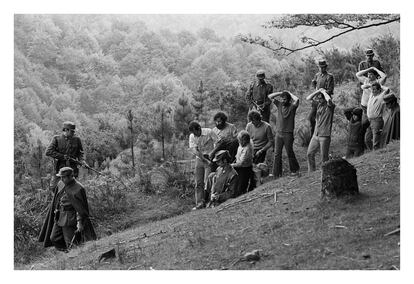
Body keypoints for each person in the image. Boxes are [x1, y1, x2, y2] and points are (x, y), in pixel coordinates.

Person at [38, 167, 96, 252]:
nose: (61, 179)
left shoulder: (78, 188)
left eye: (63, 177)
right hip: (59, 216)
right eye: (61, 177)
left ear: (71, 176)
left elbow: (80, 209)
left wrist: (79, 223)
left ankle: (74, 256)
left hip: (70, 219)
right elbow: (57, 198)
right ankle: (67, 252)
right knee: (53, 238)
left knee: (71, 243)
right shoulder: (61, 183)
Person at [268, 90, 300, 178]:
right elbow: (270, 96)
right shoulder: (279, 105)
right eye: (282, 99)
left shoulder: (292, 107)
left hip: (288, 134)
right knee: (277, 153)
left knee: (289, 152)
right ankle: (276, 173)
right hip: (279, 133)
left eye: (285, 99)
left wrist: (290, 93)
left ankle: (294, 170)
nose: (283, 101)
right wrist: (280, 92)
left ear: (289, 100)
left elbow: (297, 99)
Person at [46, 121, 86, 191]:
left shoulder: (77, 140)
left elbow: (80, 153)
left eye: (74, 131)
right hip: (59, 169)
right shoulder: (56, 139)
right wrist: (62, 156)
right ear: (66, 130)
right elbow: (48, 152)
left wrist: (82, 161)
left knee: (71, 189)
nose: (74, 133)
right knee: (54, 188)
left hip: (72, 170)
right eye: (72, 131)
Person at [188, 121, 219, 210]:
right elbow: (194, 150)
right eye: (193, 133)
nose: (194, 135)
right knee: (198, 183)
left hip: (210, 157)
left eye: (195, 132)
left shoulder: (209, 132)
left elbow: (219, 142)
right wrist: (204, 160)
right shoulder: (192, 136)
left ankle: (209, 202)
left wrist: (213, 152)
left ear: (199, 129)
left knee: (208, 181)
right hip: (200, 159)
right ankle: (199, 203)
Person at [356, 67, 387, 150]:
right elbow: (357, 74)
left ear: (375, 76)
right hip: (366, 109)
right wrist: (369, 69)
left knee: (375, 132)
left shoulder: (378, 82)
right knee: (365, 130)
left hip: (375, 109)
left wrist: (375, 69)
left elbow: (384, 76)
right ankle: (366, 148)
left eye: (371, 74)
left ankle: (377, 149)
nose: (369, 76)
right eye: (368, 74)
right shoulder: (366, 80)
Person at [306, 88, 336, 172]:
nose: (319, 100)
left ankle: (325, 173)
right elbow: (308, 98)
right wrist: (318, 91)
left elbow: (329, 100)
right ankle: (311, 172)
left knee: (324, 158)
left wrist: (324, 92)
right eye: (318, 98)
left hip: (325, 135)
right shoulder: (319, 104)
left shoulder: (330, 106)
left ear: (324, 98)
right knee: (309, 153)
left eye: (320, 98)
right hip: (316, 134)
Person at [245, 110, 274, 188]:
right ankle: (249, 184)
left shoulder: (267, 126)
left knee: (256, 167)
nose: (253, 123)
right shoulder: (249, 125)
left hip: (261, 149)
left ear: (259, 119)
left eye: (254, 121)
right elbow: (246, 138)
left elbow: (271, 141)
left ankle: (257, 184)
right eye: (252, 121)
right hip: (251, 148)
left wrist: (262, 150)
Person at [308, 60, 335, 136]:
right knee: (311, 118)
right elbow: (315, 85)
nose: (322, 69)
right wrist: (314, 85)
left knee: (324, 119)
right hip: (316, 100)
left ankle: (323, 136)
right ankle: (313, 137)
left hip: (325, 101)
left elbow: (330, 90)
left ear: (326, 67)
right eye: (320, 67)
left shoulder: (329, 76)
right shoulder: (317, 75)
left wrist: (323, 92)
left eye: (323, 67)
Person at [367, 82, 389, 150]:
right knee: (367, 139)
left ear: (379, 90)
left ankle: (376, 153)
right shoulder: (371, 95)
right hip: (370, 120)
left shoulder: (381, 96)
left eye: (374, 89)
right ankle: (374, 152)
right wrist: (371, 85)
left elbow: (387, 89)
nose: (372, 91)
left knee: (375, 141)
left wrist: (380, 86)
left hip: (377, 121)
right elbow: (363, 86)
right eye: (372, 89)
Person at [231, 130, 254, 196]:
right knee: (236, 183)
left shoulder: (247, 149)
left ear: (244, 140)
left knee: (242, 185)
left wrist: (231, 165)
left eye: (240, 140)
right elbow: (238, 153)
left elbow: (241, 163)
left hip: (244, 168)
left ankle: (242, 194)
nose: (239, 142)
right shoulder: (241, 144)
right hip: (238, 165)